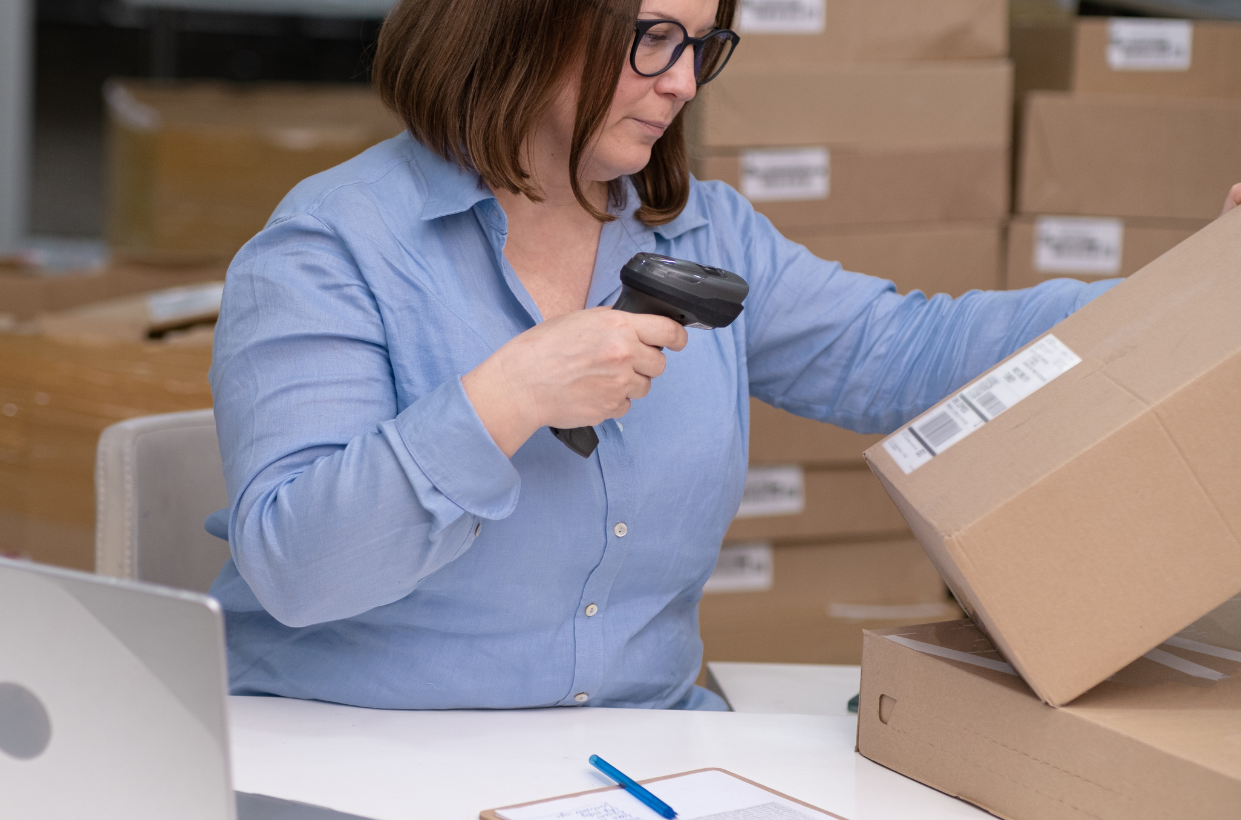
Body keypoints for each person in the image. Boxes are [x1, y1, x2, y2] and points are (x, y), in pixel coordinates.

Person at [206, 0, 1241, 711]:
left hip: (630, 759)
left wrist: (1196, 290)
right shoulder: (331, 248)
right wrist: (507, 392)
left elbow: (904, 349)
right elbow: (297, 566)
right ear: (518, 20)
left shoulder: (701, 234)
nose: (682, 82)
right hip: (356, 757)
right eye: (653, 39)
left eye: (703, 46)